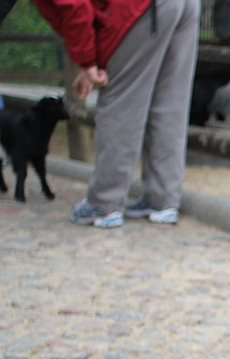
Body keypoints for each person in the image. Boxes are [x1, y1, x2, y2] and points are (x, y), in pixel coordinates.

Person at [33, 0, 200, 227]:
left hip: (141, 7)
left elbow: (74, 4)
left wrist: (87, 60)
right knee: (170, 102)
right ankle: (163, 199)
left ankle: (104, 203)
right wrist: (88, 62)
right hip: (184, 5)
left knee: (121, 103)